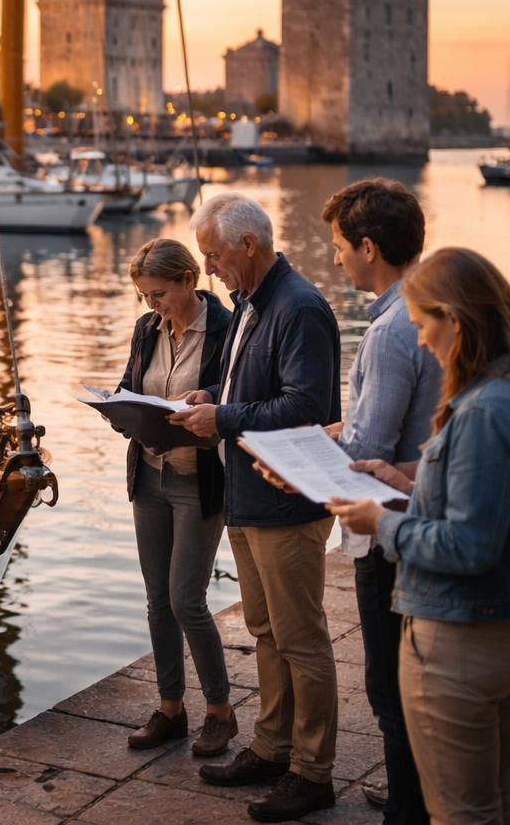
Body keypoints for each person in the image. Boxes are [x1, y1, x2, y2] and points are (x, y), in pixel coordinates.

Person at [329, 248, 510, 825]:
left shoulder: (483, 410)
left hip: (462, 641)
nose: (419, 342)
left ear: (456, 322)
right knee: (493, 805)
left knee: (461, 815)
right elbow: (498, 500)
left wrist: (380, 522)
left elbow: (469, 545)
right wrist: (405, 479)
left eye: (422, 326)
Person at [168, 193, 342, 822]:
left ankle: (312, 771)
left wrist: (224, 416)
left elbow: (305, 409)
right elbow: (252, 387)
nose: (209, 269)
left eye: (213, 256)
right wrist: (212, 393)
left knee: (302, 637)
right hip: (247, 494)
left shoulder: (300, 308)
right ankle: (272, 747)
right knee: (266, 631)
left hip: (287, 501)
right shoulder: (249, 304)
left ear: (248, 245)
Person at [315, 179, 440, 825]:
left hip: (389, 528)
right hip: (424, 512)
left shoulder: (391, 328)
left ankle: (407, 812)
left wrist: (302, 454)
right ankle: (414, 796)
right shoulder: (432, 306)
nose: (335, 260)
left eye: (340, 247)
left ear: (368, 247)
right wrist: (337, 431)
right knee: (415, 685)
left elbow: (372, 443)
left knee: (389, 690)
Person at [115, 238, 238, 757]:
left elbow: (237, 402)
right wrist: (122, 410)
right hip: (149, 476)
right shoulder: (147, 329)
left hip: (198, 481)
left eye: (159, 294)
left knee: (187, 599)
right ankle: (170, 708)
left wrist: (206, 401)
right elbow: (128, 385)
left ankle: (220, 710)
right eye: (145, 296)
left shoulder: (228, 330)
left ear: (190, 279)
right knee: (157, 601)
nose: (152, 306)